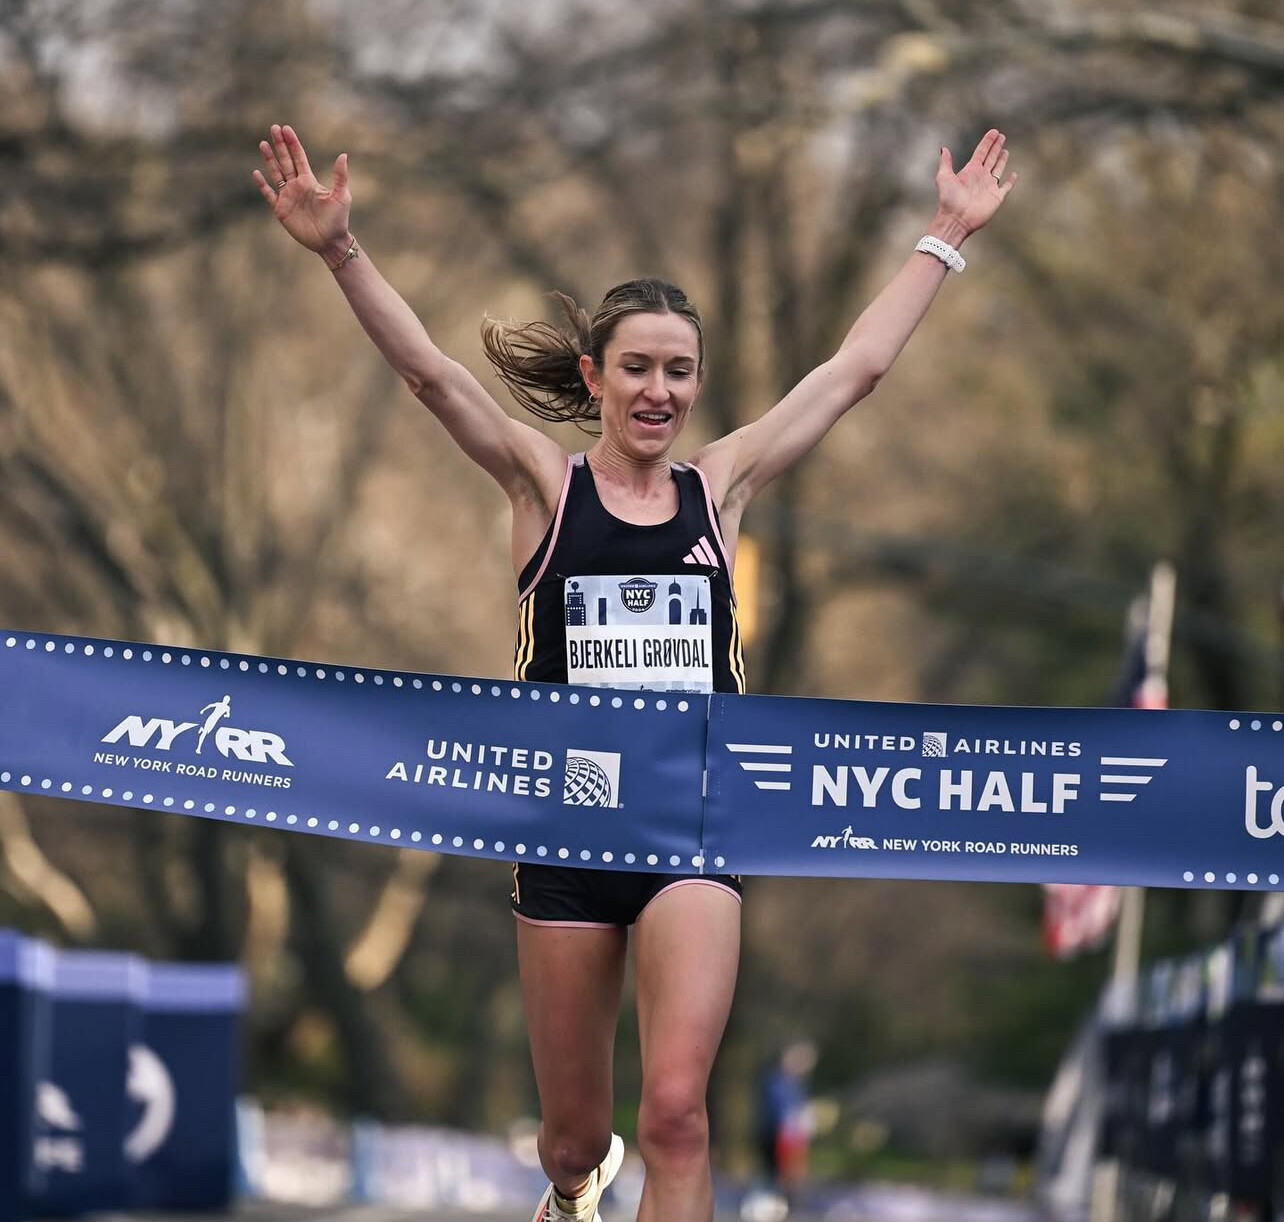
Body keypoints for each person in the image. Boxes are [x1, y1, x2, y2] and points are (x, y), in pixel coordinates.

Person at [252, 121, 1015, 1222]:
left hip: (690, 828)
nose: (659, 392)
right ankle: (572, 1192)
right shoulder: (543, 488)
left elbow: (855, 370)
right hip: (565, 830)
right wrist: (340, 251)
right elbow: (430, 375)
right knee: (573, 1137)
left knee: (677, 1115)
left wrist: (944, 235)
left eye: (680, 372)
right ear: (595, 377)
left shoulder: (722, 488)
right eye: (639, 369)